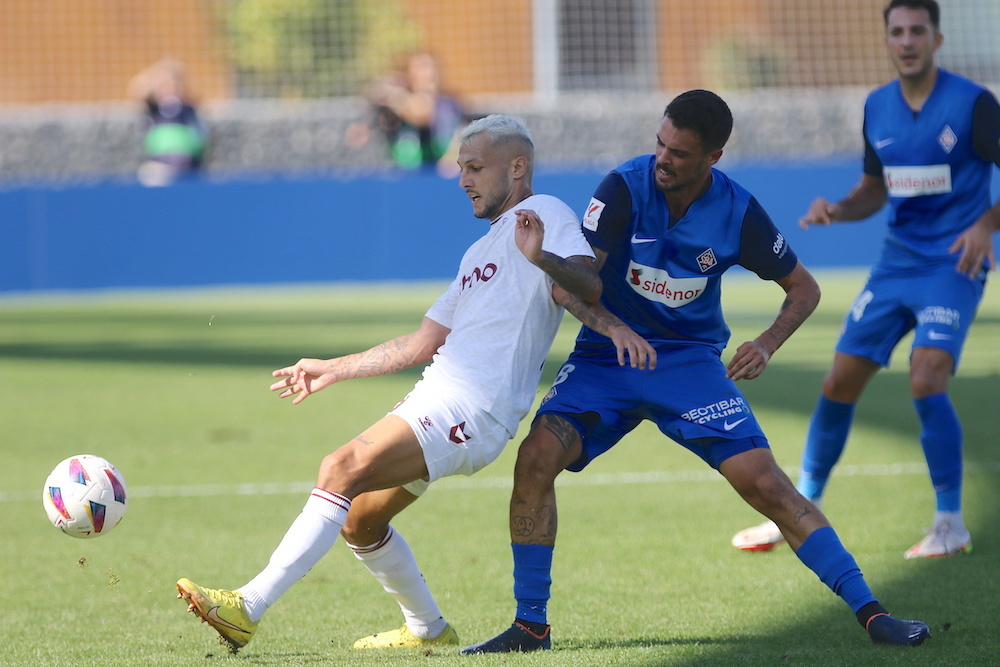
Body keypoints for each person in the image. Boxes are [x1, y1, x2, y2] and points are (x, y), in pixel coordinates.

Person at [461, 90, 930, 654]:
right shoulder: (622, 189)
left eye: (679, 153)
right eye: (660, 143)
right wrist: (614, 329)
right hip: (606, 357)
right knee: (536, 458)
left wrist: (768, 342)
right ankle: (530, 626)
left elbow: (804, 289)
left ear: (714, 157)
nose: (663, 159)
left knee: (766, 484)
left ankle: (872, 613)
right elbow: (573, 285)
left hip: (688, 363)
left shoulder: (737, 211)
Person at [174, 114, 617, 653]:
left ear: (518, 167)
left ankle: (248, 606)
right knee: (359, 521)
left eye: (475, 167)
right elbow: (421, 344)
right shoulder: (477, 254)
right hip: (437, 397)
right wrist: (334, 367)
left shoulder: (544, 213)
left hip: (473, 409)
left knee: (340, 467)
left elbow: (588, 281)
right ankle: (428, 630)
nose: (463, 180)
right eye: (461, 168)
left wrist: (542, 256)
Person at [731, 0, 1000, 559]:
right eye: (897, 32)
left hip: (953, 265)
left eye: (916, 31)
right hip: (895, 265)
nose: (906, 41)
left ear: (937, 39)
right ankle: (797, 512)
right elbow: (875, 189)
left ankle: (950, 522)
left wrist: (985, 223)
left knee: (926, 377)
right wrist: (839, 209)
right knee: (837, 384)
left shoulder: (974, 105)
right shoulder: (877, 107)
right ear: (886, 40)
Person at [345, 51, 468, 175]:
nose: (426, 73)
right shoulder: (394, 105)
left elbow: (422, 114)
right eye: (420, 67)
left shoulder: (448, 103)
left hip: (441, 171)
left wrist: (397, 97)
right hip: (405, 172)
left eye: (429, 66)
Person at [128, 58, 209, 187]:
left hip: (187, 164)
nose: (170, 89)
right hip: (161, 163)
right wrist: (156, 74)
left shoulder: (187, 108)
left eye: (174, 85)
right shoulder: (155, 108)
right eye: (165, 85)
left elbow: (201, 133)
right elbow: (138, 89)